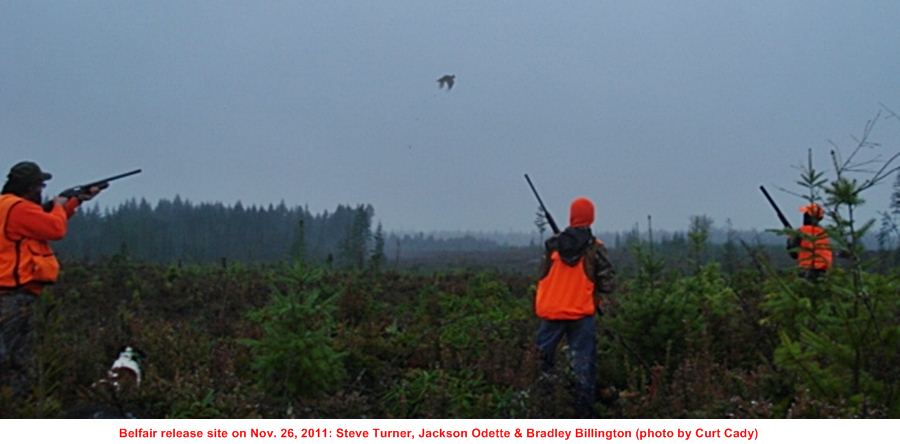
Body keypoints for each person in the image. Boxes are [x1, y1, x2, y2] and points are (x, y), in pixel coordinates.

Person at [0, 161, 100, 404]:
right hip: (13, 293)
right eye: (40, 185)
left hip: (11, 291)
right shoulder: (18, 208)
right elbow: (54, 228)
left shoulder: (8, 206)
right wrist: (58, 204)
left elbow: (42, 223)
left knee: (12, 353)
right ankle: (16, 407)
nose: (42, 189)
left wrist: (76, 201)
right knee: (16, 356)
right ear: (30, 187)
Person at [533, 196, 615, 417]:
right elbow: (607, 282)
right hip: (580, 313)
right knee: (581, 363)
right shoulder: (595, 248)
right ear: (591, 217)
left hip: (551, 311)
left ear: (571, 216)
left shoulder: (552, 246)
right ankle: (582, 412)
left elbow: (542, 275)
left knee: (541, 360)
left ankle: (541, 404)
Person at [786, 203, 832, 281]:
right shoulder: (823, 233)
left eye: (806, 214)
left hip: (807, 270)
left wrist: (790, 239)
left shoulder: (801, 232)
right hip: (824, 271)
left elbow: (793, 254)